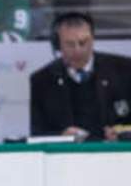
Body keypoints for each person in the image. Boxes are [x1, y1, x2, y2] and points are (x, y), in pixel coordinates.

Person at [30, 12, 131, 142]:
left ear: (93, 40)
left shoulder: (125, 70)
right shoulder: (41, 80)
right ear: (57, 45)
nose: (78, 50)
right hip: (66, 157)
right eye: (70, 44)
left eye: (83, 42)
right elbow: (37, 134)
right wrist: (61, 137)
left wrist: (122, 134)